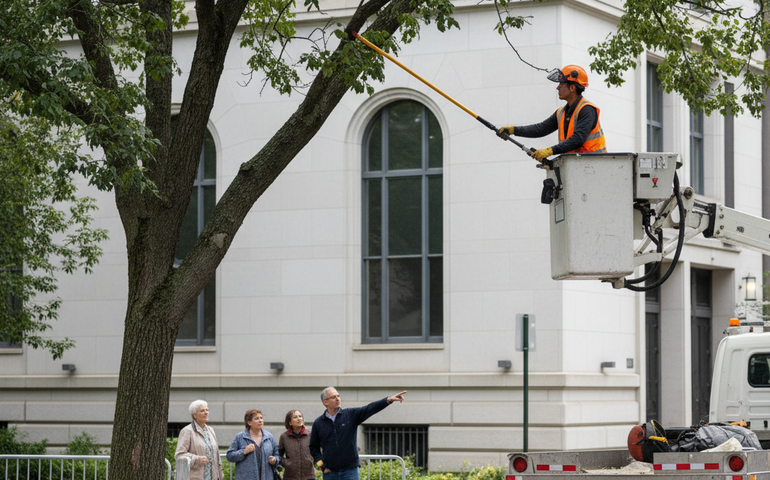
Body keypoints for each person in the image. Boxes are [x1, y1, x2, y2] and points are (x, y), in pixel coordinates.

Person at [497, 65, 606, 161]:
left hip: (595, 166)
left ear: (572, 87)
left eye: (561, 84)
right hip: (576, 166)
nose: (558, 87)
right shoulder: (561, 112)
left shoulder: (587, 110)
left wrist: (550, 151)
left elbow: (578, 139)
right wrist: (513, 130)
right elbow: (541, 129)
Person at [309, 387, 407, 480]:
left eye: (338, 396)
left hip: (350, 471)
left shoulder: (350, 415)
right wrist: (322, 466)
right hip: (330, 473)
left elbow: (369, 408)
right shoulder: (318, 423)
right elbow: (313, 447)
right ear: (325, 402)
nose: (338, 399)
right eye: (333, 397)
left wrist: (388, 400)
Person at [176, 399, 224, 480]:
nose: (206, 413)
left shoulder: (210, 430)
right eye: (202, 411)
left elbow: (217, 454)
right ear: (195, 415)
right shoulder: (187, 431)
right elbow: (179, 455)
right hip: (195, 477)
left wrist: (219, 474)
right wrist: (196, 459)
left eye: (207, 410)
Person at [227, 409, 281, 480]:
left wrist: (275, 459)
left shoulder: (269, 437)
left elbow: (277, 454)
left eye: (261, 418)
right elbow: (229, 456)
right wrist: (244, 452)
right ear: (249, 422)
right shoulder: (240, 437)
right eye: (256, 419)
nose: (260, 420)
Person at [278, 409, 314, 480]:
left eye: (300, 416)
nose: (299, 419)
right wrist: (286, 463)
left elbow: (317, 450)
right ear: (290, 422)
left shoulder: (310, 434)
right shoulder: (284, 437)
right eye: (295, 417)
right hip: (290, 477)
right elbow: (278, 454)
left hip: (309, 476)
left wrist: (311, 460)